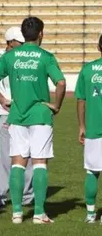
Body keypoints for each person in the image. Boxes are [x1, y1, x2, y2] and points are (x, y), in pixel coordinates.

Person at [0, 16, 66, 224]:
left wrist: (3, 100)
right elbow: (61, 83)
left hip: (17, 116)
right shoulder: (46, 56)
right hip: (40, 115)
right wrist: (56, 105)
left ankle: (17, 213)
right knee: (39, 163)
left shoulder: (10, 56)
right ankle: (39, 213)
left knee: (17, 163)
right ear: (40, 34)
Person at [0, 26, 34, 209]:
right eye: (19, 43)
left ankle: (27, 196)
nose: (21, 46)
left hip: (23, 114)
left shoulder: (23, 60)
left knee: (27, 154)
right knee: (2, 158)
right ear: (9, 42)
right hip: (3, 115)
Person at [74, 34, 102, 223]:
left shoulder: (87, 69)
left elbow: (81, 100)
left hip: (93, 129)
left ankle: (91, 214)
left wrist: (82, 126)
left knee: (92, 171)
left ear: (99, 46)